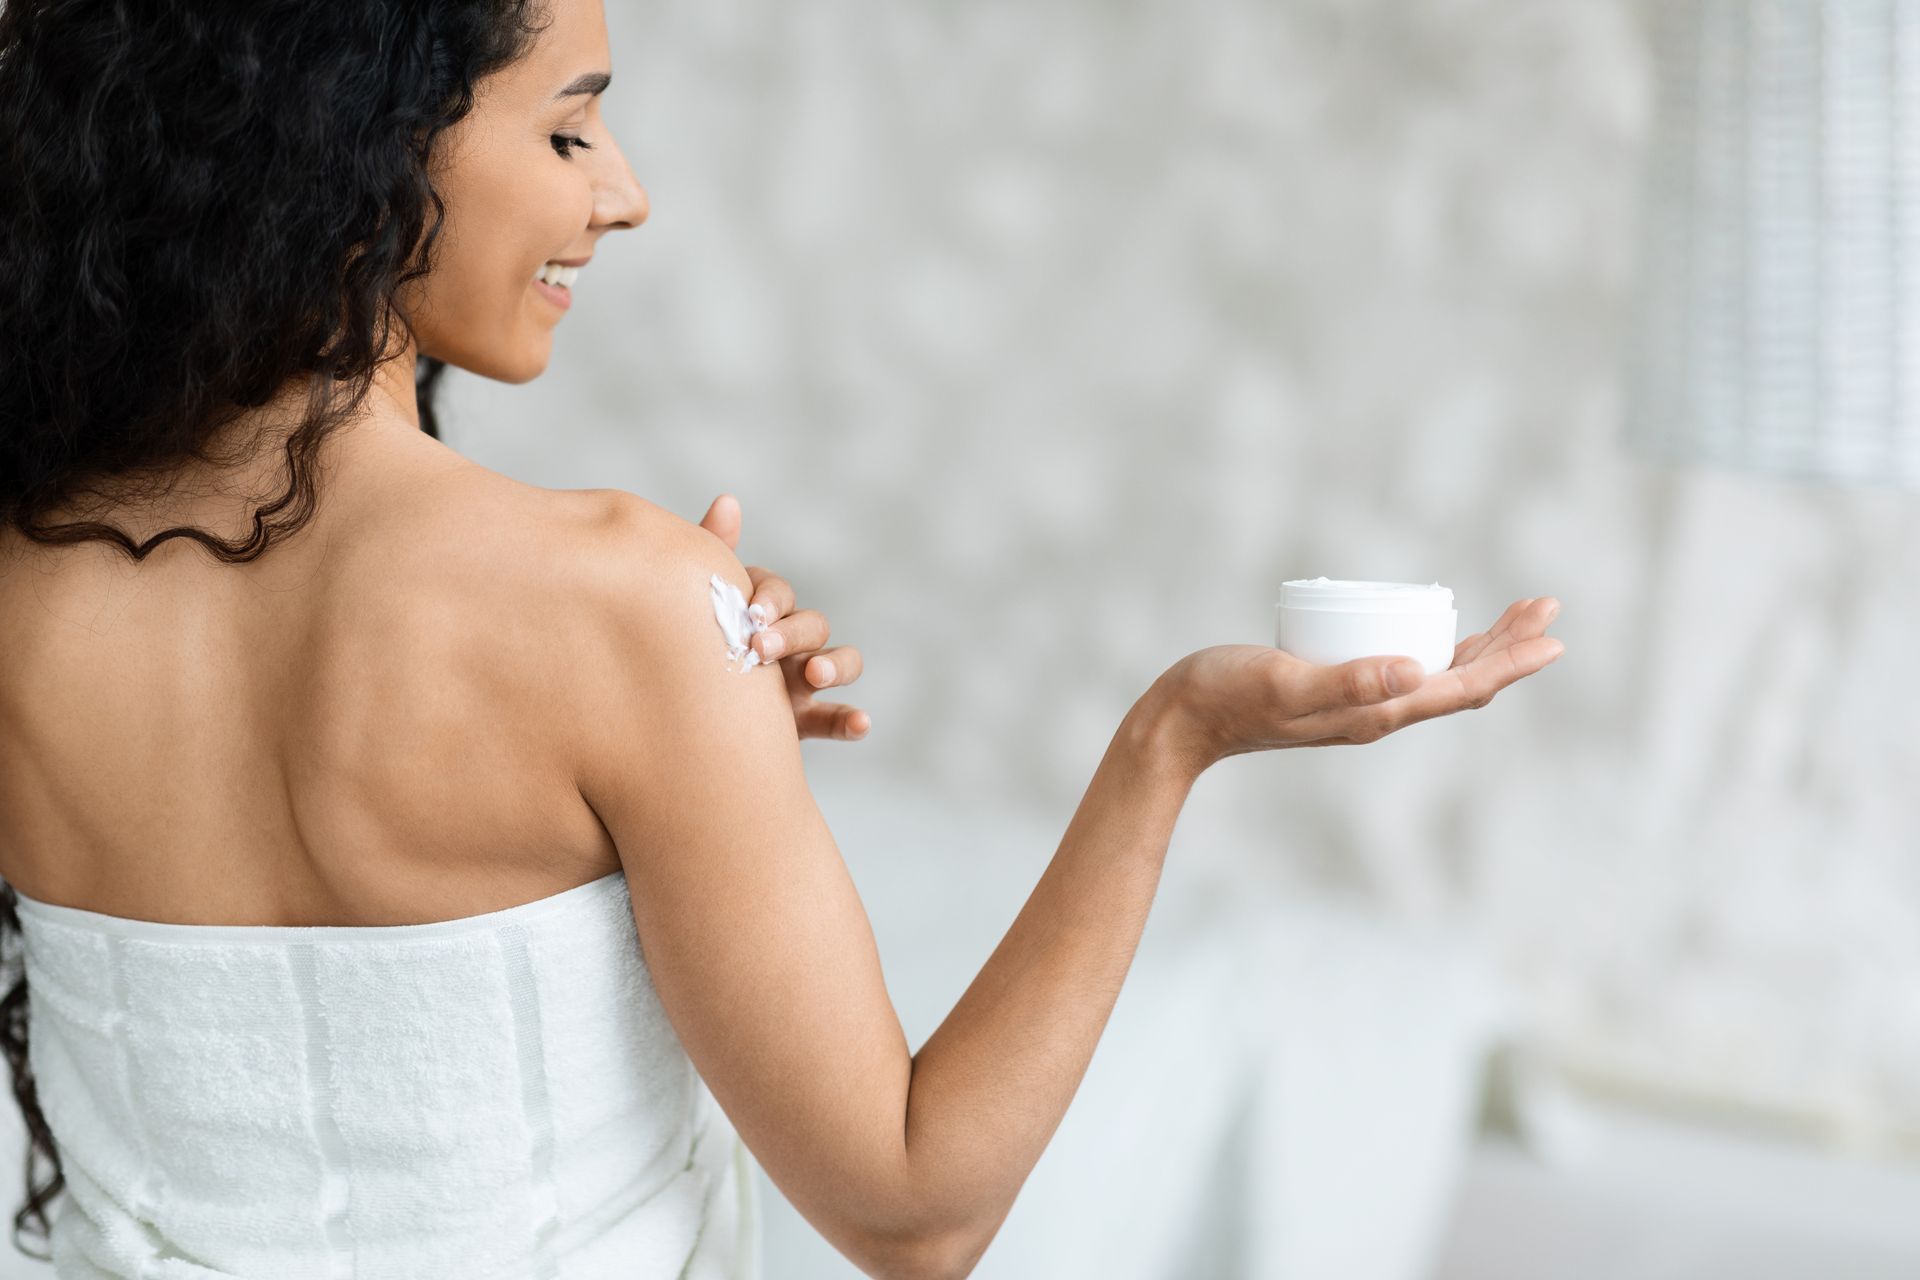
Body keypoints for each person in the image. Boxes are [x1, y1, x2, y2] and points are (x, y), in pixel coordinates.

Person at [0, 0, 1564, 1275]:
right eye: (567, 126)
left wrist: (682, 756)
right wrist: (1173, 742)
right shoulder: (618, 600)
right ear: (347, 151)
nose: (623, 191)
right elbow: (914, 1207)